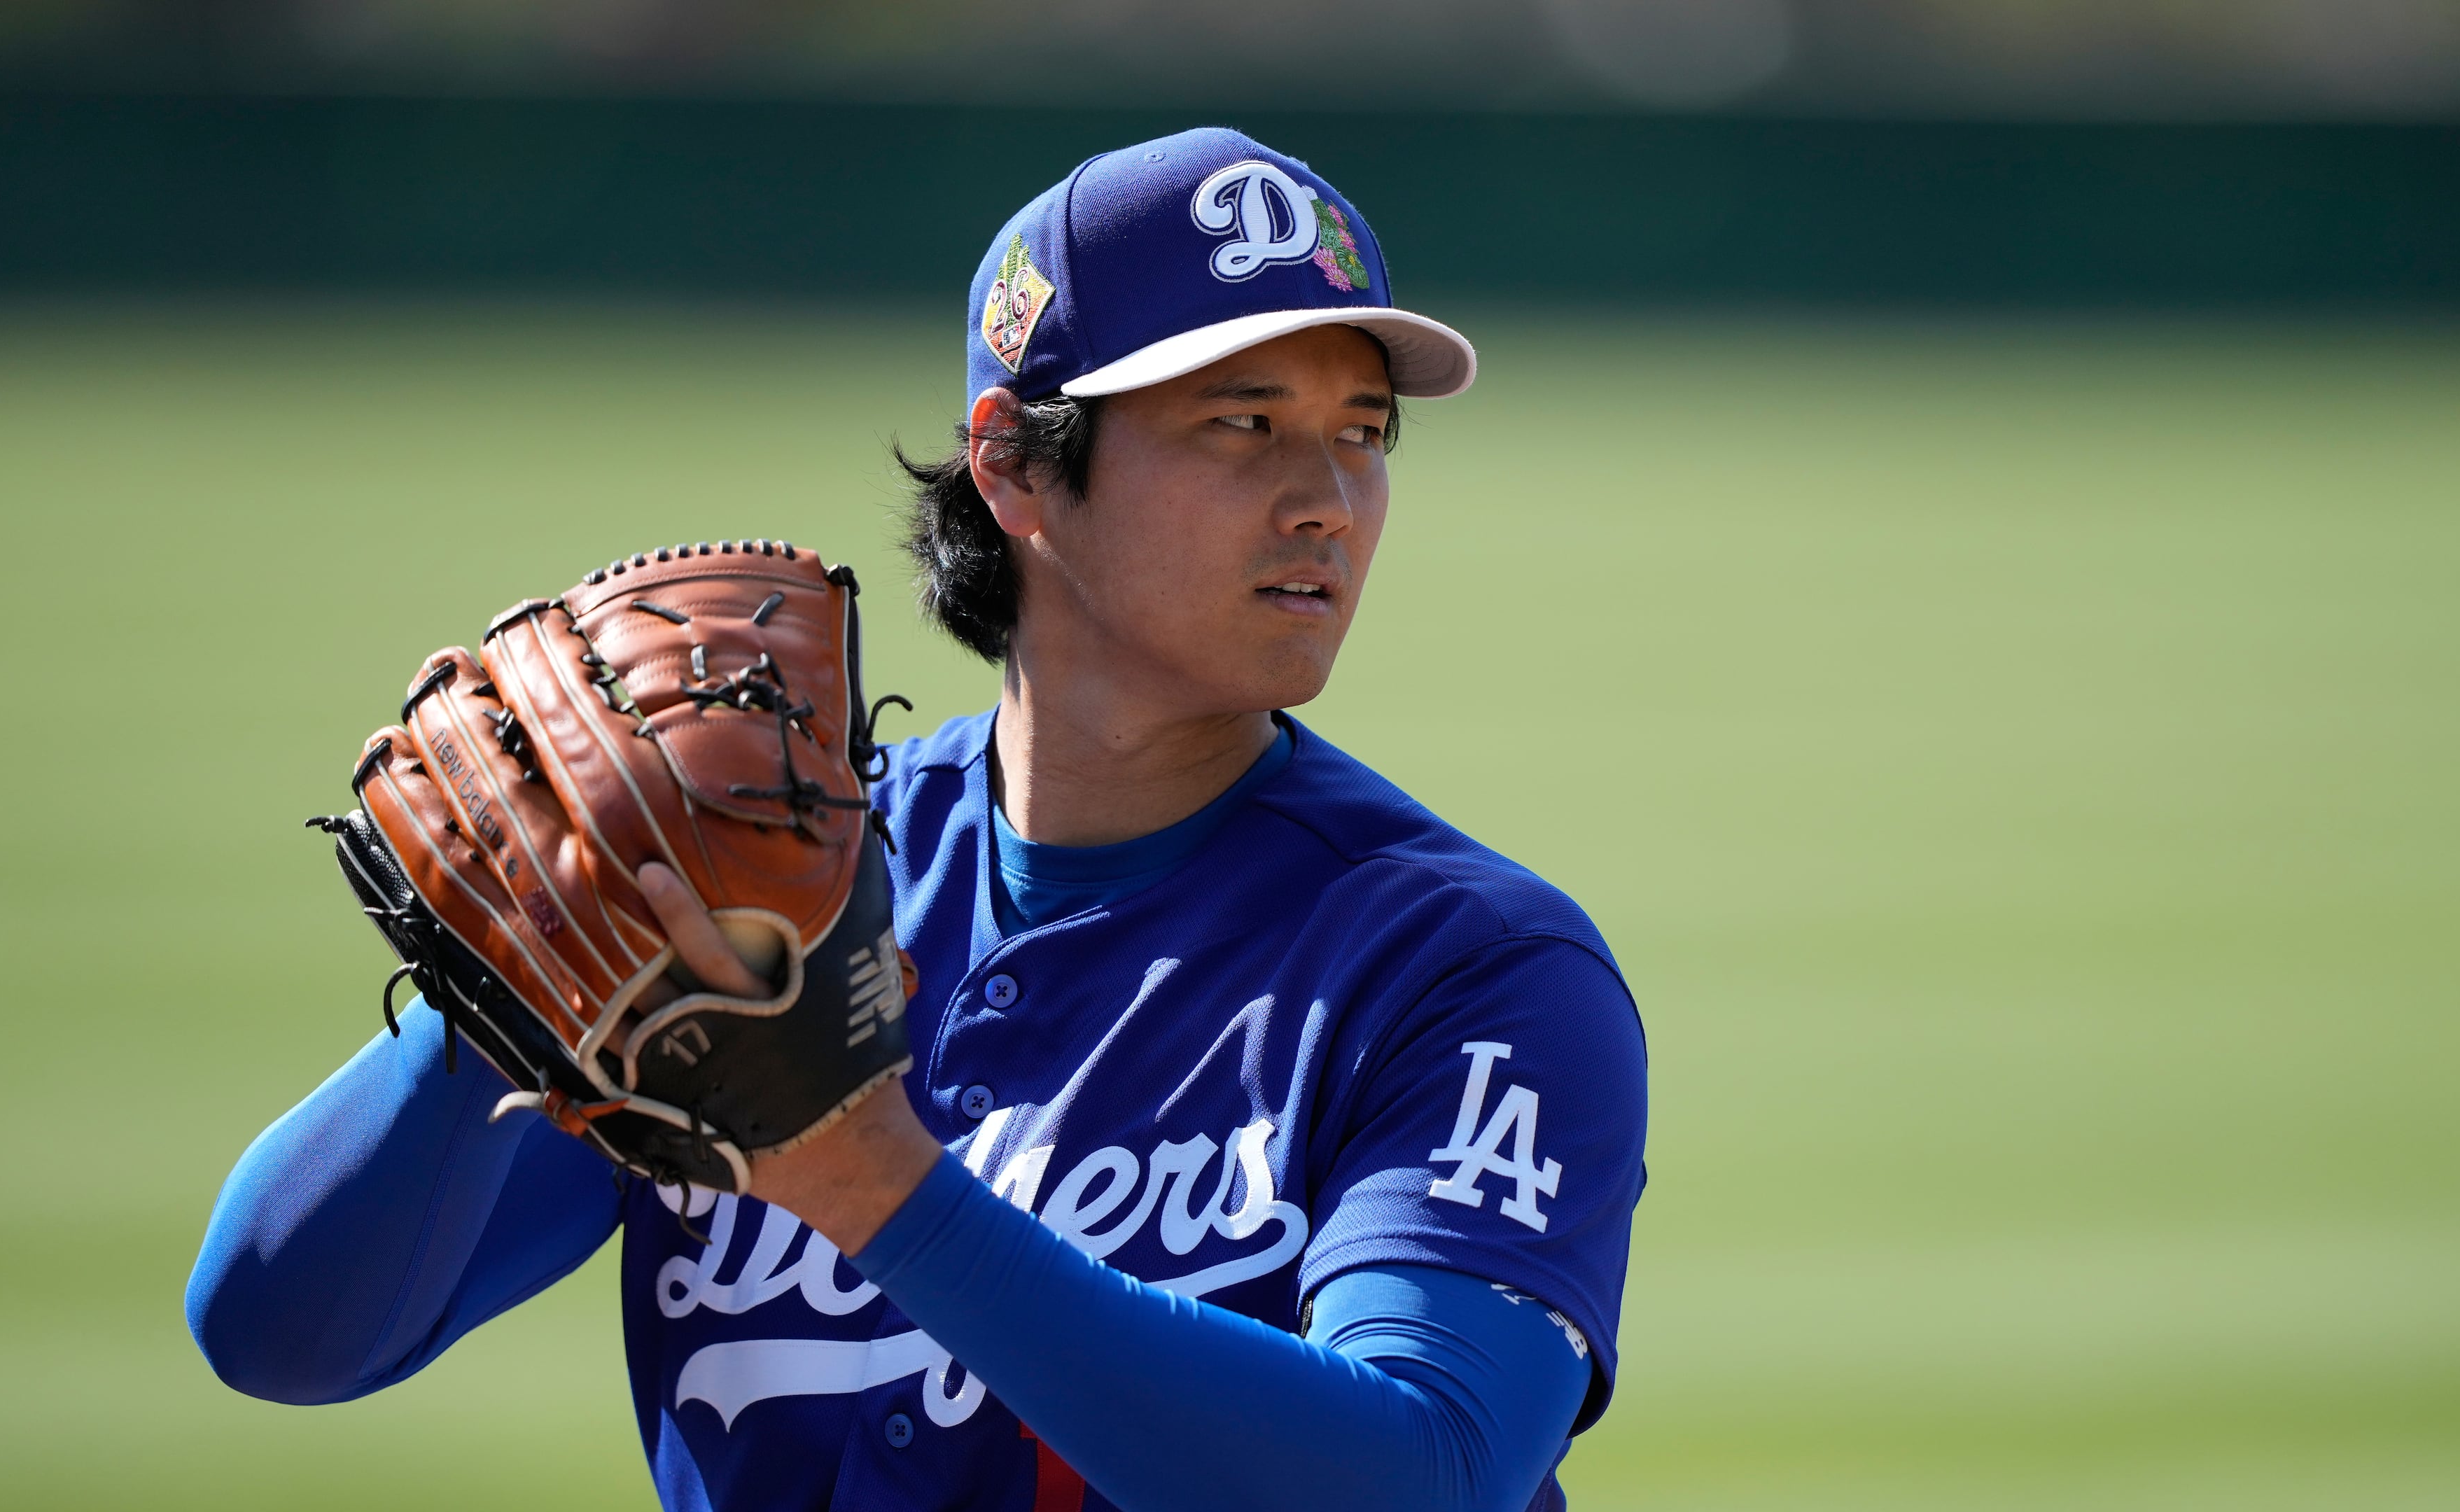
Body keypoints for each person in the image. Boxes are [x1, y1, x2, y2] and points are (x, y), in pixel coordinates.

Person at [187, 127, 1647, 1512]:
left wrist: (871, 1187)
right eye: (1241, 423)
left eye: (1363, 431)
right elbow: (279, 1335)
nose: (1327, 497)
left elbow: (1428, 1471)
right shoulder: (754, 892)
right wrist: (508, 983)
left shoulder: (1472, 969)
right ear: (1013, 463)